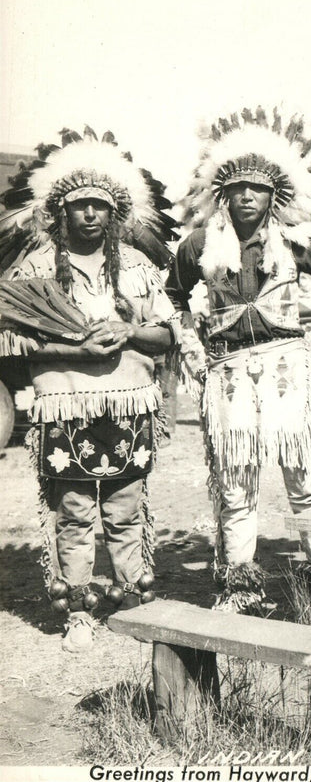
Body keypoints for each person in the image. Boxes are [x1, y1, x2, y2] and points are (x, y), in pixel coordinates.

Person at [0, 129, 183, 652]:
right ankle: (79, 608)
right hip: (64, 401)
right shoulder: (34, 269)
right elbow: (17, 342)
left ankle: (132, 598)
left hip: (128, 400)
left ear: (114, 213)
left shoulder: (139, 266)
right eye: (79, 205)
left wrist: (128, 332)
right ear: (61, 211)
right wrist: (78, 350)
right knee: (75, 508)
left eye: (99, 206)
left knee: (126, 505)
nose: (89, 215)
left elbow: (167, 334)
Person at [166, 106, 311, 612]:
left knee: (305, 478)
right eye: (238, 189)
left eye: (258, 189)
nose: (247, 197)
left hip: (288, 365)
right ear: (222, 194)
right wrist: (192, 345)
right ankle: (241, 588)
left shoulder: (297, 241)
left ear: (275, 195)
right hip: (226, 370)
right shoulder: (200, 245)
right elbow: (173, 297)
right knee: (235, 482)